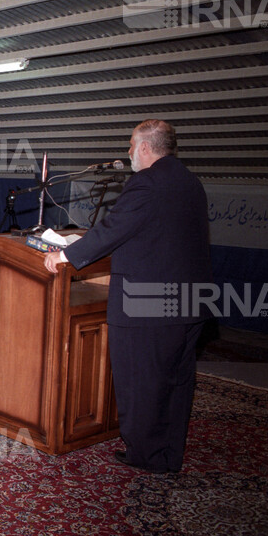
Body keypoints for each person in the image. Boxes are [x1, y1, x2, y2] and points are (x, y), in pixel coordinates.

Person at [44, 119, 210, 474]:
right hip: (190, 302)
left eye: (132, 146)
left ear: (146, 147)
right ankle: (168, 454)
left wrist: (65, 255)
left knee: (142, 381)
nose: (129, 153)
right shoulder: (189, 181)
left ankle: (146, 455)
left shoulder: (147, 182)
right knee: (176, 383)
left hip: (149, 305)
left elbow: (113, 229)